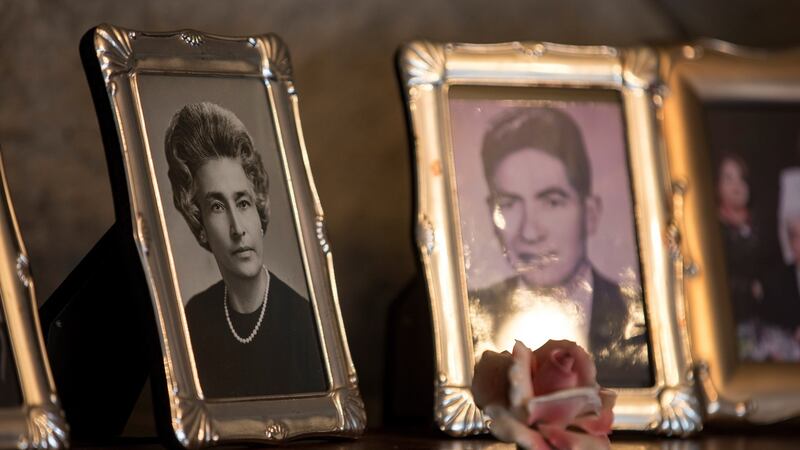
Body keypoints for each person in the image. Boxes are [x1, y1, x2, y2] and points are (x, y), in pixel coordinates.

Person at [469, 107, 650, 387]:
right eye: (509, 204)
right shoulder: (470, 318)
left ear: (590, 213)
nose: (530, 231)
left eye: (552, 201)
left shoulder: (640, 318)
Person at [165, 102, 326, 398]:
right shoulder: (194, 318)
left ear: (259, 207)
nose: (237, 228)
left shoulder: (304, 323)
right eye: (216, 207)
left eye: (242, 202)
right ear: (199, 222)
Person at [716, 154, 765, 327]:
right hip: (732, 319)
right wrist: (749, 289)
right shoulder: (717, 229)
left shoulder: (759, 224)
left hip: (763, 318)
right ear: (718, 185)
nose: (737, 185)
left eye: (741, 178)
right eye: (728, 178)